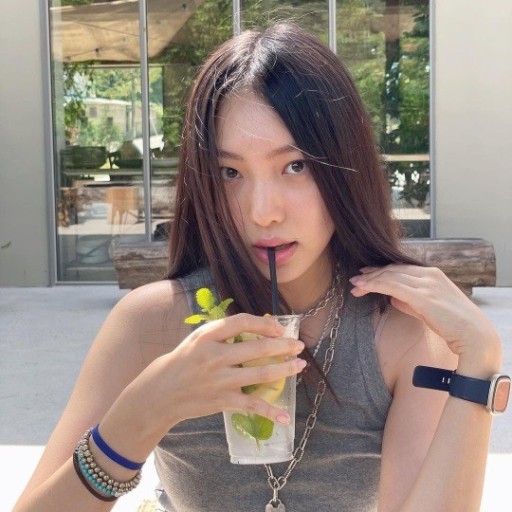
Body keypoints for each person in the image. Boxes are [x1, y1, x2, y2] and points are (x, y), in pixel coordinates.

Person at [15, 22, 508, 512]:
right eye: (230, 172)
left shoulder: (398, 332)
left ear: (346, 167)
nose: (262, 212)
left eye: (295, 166)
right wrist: (141, 416)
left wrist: (479, 363)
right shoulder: (153, 325)